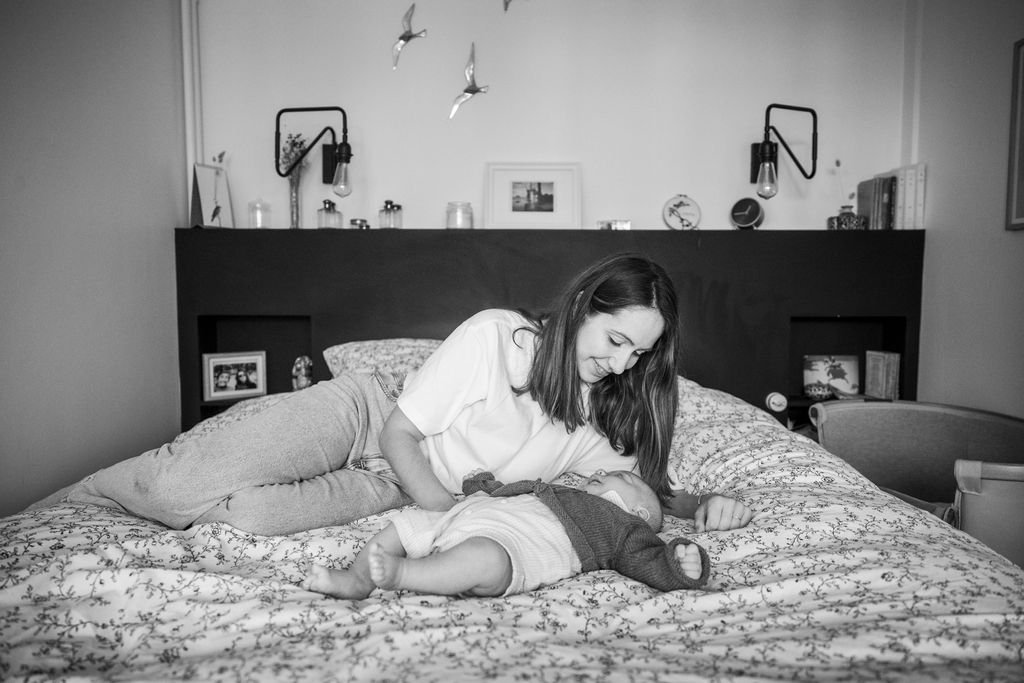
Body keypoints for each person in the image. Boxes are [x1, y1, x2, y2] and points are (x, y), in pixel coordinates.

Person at [28, 253, 753, 535]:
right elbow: (402, 433)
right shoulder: (502, 339)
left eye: (640, 352)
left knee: (242, 517)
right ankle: (74, 503)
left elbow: (643, 486)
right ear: (585, 306)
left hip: (400, 488)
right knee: (178, 481)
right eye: (615, 338)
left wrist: (697, 504)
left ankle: (217, 463)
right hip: (372, 419)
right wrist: (453, 516)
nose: (624, 363)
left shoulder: (605, 410)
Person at [303, 469, 710, 599]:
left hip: (510, 547)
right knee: (405, 524)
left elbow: (644, 557)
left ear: (635, 510)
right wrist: (486, 485)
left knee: (485, 557)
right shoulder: (563, 488)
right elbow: (516, 494)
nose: (601, 474)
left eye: (617, 477)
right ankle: (357, 580)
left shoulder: (621, 526)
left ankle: (403, 576)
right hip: (468, 518)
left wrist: (678, 565)